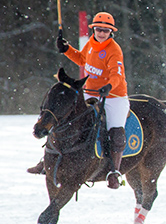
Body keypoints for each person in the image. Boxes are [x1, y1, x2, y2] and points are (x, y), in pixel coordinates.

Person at [28, 12, 130, 189]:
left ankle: (114, 172)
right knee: (66, 118)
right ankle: (47, 161)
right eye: (99, 29)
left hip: (114, 96)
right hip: (90, 91)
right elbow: (83, 59)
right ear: (94, 29)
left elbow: (117, 76)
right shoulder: (91, 42)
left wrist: (109, 86)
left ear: (111, 32)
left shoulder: (114, 50)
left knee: (116, 132)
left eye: (106, 30)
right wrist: (67, 49)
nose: (101, 33)